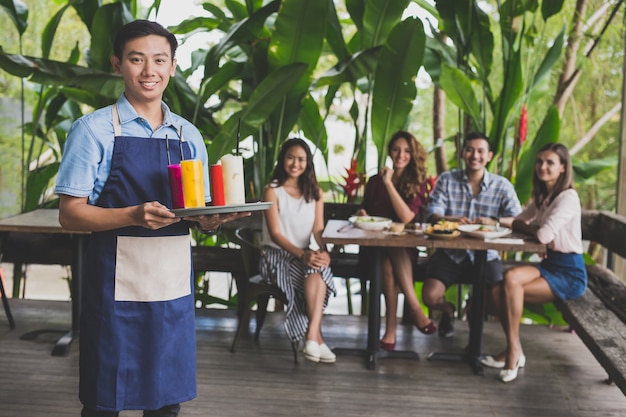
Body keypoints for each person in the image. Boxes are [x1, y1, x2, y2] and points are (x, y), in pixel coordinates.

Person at [54, 20, 248, 417]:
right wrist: (133, 215)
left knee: (166, 403)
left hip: (172, 288)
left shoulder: (187, 135)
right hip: (113, 289)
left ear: (173, 66)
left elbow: (197, 212)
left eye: (159, 60)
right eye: (137, 59)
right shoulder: (93, 131)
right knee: (104, 401)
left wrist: (211, 221)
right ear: (116, 64)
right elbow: (70, 215)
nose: (149, 71)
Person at [481, 143, 587, 383]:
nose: (542, 167)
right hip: (549, 265)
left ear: (562, 168)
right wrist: (497, 221)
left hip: (569, 272)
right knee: (498, 291)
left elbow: (543, 236)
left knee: (510, 286)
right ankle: (514, 349)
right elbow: (518, 219)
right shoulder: (543, 197)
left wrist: (521, 226)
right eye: (540, 161)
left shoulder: (567, 197)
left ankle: (512, 355)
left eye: (550, 162)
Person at [422, 132, 522, 338]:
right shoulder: (447, 180)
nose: (474, 155)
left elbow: (517, 221)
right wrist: (451, 220)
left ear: (489, 156)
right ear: (462, 153)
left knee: (494, 301)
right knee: (430, 297)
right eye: (469, 150)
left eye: (480, 151)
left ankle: (472, 316)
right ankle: (448, 310)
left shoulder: (502, 186)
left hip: (487, 255)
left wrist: (494, 222)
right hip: (450, 253)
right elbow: (431, 213)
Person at [356, 130, 436, 351]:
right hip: (372, 250)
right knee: (386, 257)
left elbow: (407, 217)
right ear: (390, 151)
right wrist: (363, 214)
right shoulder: (374, 182)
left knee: (390, 261)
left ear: (412, 154)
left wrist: (389, 184)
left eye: (407, 151)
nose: (401, 155)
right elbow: (367, 212)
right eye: (396, 150)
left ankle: (391, 329)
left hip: (403, 252)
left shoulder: (417, 183)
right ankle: (414, 307)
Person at [260, 138, 337, 363]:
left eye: (301, 159)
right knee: (309, 272)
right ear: (283, 159)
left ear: (308, 163)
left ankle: (311, 336)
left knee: (319, 268)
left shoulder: (315, 192)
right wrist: (302, 255)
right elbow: (275, 233)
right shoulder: (272, 191)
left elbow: (318, 230)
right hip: (275, 256)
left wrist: (324, 252)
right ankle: (317, 338)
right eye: (291, 157)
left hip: (304, 253)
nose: (295, 163)